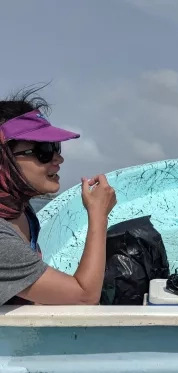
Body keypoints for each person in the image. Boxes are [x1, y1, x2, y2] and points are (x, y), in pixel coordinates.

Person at [0, 87, 116, 306]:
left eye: (56, 147)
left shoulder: (19, 208)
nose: (58, 159)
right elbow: (84, 297)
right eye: (43, 150)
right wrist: (98, 214)